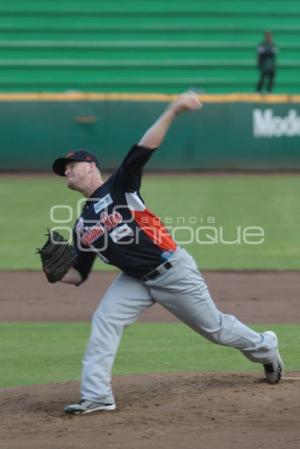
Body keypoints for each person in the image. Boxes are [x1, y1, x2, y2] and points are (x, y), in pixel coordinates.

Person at [50, 91, 283, 415]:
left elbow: (142, 149)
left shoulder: (120, 185)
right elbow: (79, 274)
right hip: (133, 279)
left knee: (215, 329)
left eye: (71, 165)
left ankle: (265, 346)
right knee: (105, 319)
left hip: (172, 269)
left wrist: (173, 110)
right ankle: (98, 395)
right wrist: (56, 272)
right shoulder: (81, 224)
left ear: (91, 166)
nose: (66, 172)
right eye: (64, 169)